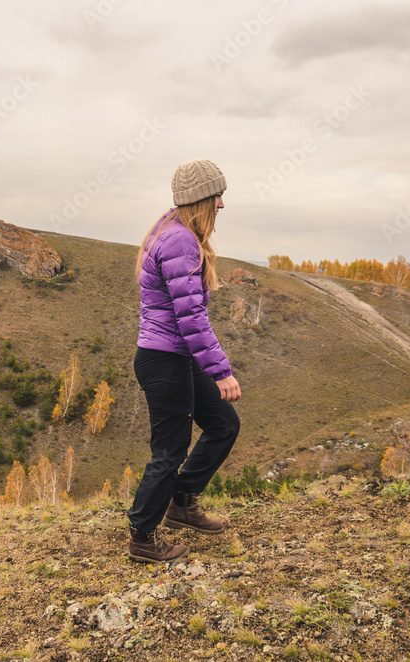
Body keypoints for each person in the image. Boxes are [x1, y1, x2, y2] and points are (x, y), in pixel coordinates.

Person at [127, 159, 242, 564]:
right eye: (217, 197)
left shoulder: (172, 228)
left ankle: (181, 504)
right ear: (200, 200)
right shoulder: (179, 241)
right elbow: (191, 318)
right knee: (169, 451)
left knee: (223, 424)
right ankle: (142, 537)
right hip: (164, 360)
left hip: (175, 354)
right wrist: (221, 372)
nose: (222, 205)